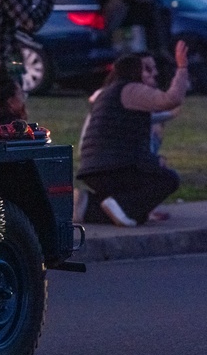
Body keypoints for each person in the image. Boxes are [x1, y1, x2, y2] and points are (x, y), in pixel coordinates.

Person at [76, 41, 188, 227]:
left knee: (135, 217)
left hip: (94, 170)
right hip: (116, 168)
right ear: (135, 72)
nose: (154, 74)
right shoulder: (131, 90)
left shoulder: (107, 93)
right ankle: (121, 205)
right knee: (168, 179)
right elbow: (171, 100)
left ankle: (87, 206)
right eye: (146, 69)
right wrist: (182, 67)